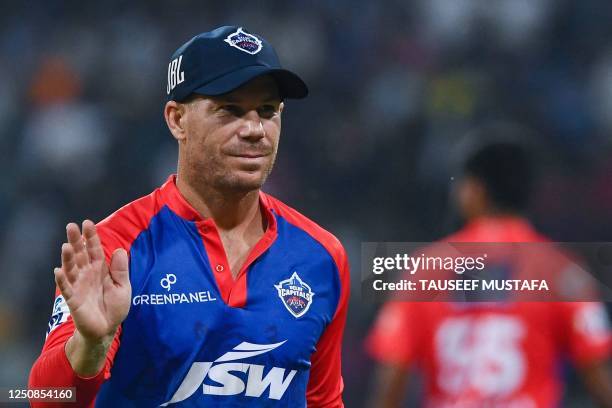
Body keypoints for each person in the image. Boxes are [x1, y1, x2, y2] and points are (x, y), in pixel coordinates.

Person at [29, 26, 350, 407]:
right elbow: (45, 398)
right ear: (177, 119)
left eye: (267, 111)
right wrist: (91, 345)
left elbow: (323, 401)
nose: (254, 130)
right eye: (229, 110)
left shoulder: (322, 257)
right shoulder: (117, 249)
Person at [365, 129, 612, 407]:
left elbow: (391, 380)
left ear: (474, 190)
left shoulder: (426, 267)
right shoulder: (562, 270)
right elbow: (599, 379)